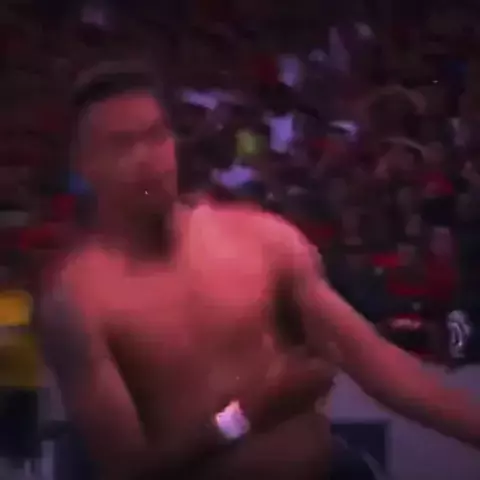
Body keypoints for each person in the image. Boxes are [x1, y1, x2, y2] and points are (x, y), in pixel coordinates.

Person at [36, 62, 480, 480]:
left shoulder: (260, 239)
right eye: (121, 145)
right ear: (85, 165)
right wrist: (244, 415)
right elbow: (127, 470)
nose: (146, 158)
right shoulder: (79, 300)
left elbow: (377, 364)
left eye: (156, 136)